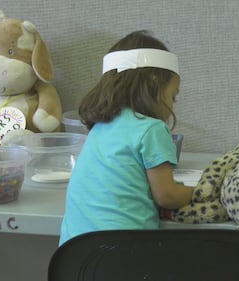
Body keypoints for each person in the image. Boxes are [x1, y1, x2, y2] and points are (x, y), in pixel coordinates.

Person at [59, 30, 193, 245]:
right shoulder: (151, 129)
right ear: (154, 82)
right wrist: (199, 191)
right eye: (173, 95)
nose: (172, 104)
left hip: (75, 256)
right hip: (125, 255)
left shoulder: (100, 127)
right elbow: (167, 196)